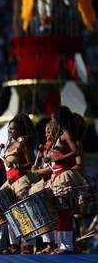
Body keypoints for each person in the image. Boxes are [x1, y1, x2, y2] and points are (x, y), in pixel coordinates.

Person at [48, 106, 88, 254]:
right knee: (59, 212)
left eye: (53, 119)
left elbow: (75, 151)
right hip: (56, 177)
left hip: (63, 177)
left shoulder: (65, 133)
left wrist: (58, 158)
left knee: (64, 211)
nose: (51, 121)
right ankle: (61, 245)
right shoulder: (59, 134)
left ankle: (66, 246)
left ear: (59, 119)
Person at [0, 113, 36, 254]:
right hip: (9, 183)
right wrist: (1, 163)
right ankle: (13, 244)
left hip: (21, 181)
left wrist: (19, 166)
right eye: (9, 128)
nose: (10, 131)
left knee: (24, 212)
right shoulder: (8, 145)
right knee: (10, 214)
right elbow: (7, 166)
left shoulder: (23, 144)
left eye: (12, 129)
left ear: (19, 130)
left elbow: (30, 163)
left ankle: (28, 244)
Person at [30, 122, 55, 254]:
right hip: (44, 182)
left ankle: (56, 243)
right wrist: (38, 169)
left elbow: (52, 169)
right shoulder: (45, 148)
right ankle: (48, 244)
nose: (46, 134)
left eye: (49, 132)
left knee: (52, 213)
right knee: (39, 211)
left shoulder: (56, 147)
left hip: (53, 181)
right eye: (45, 132)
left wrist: (38, 171)